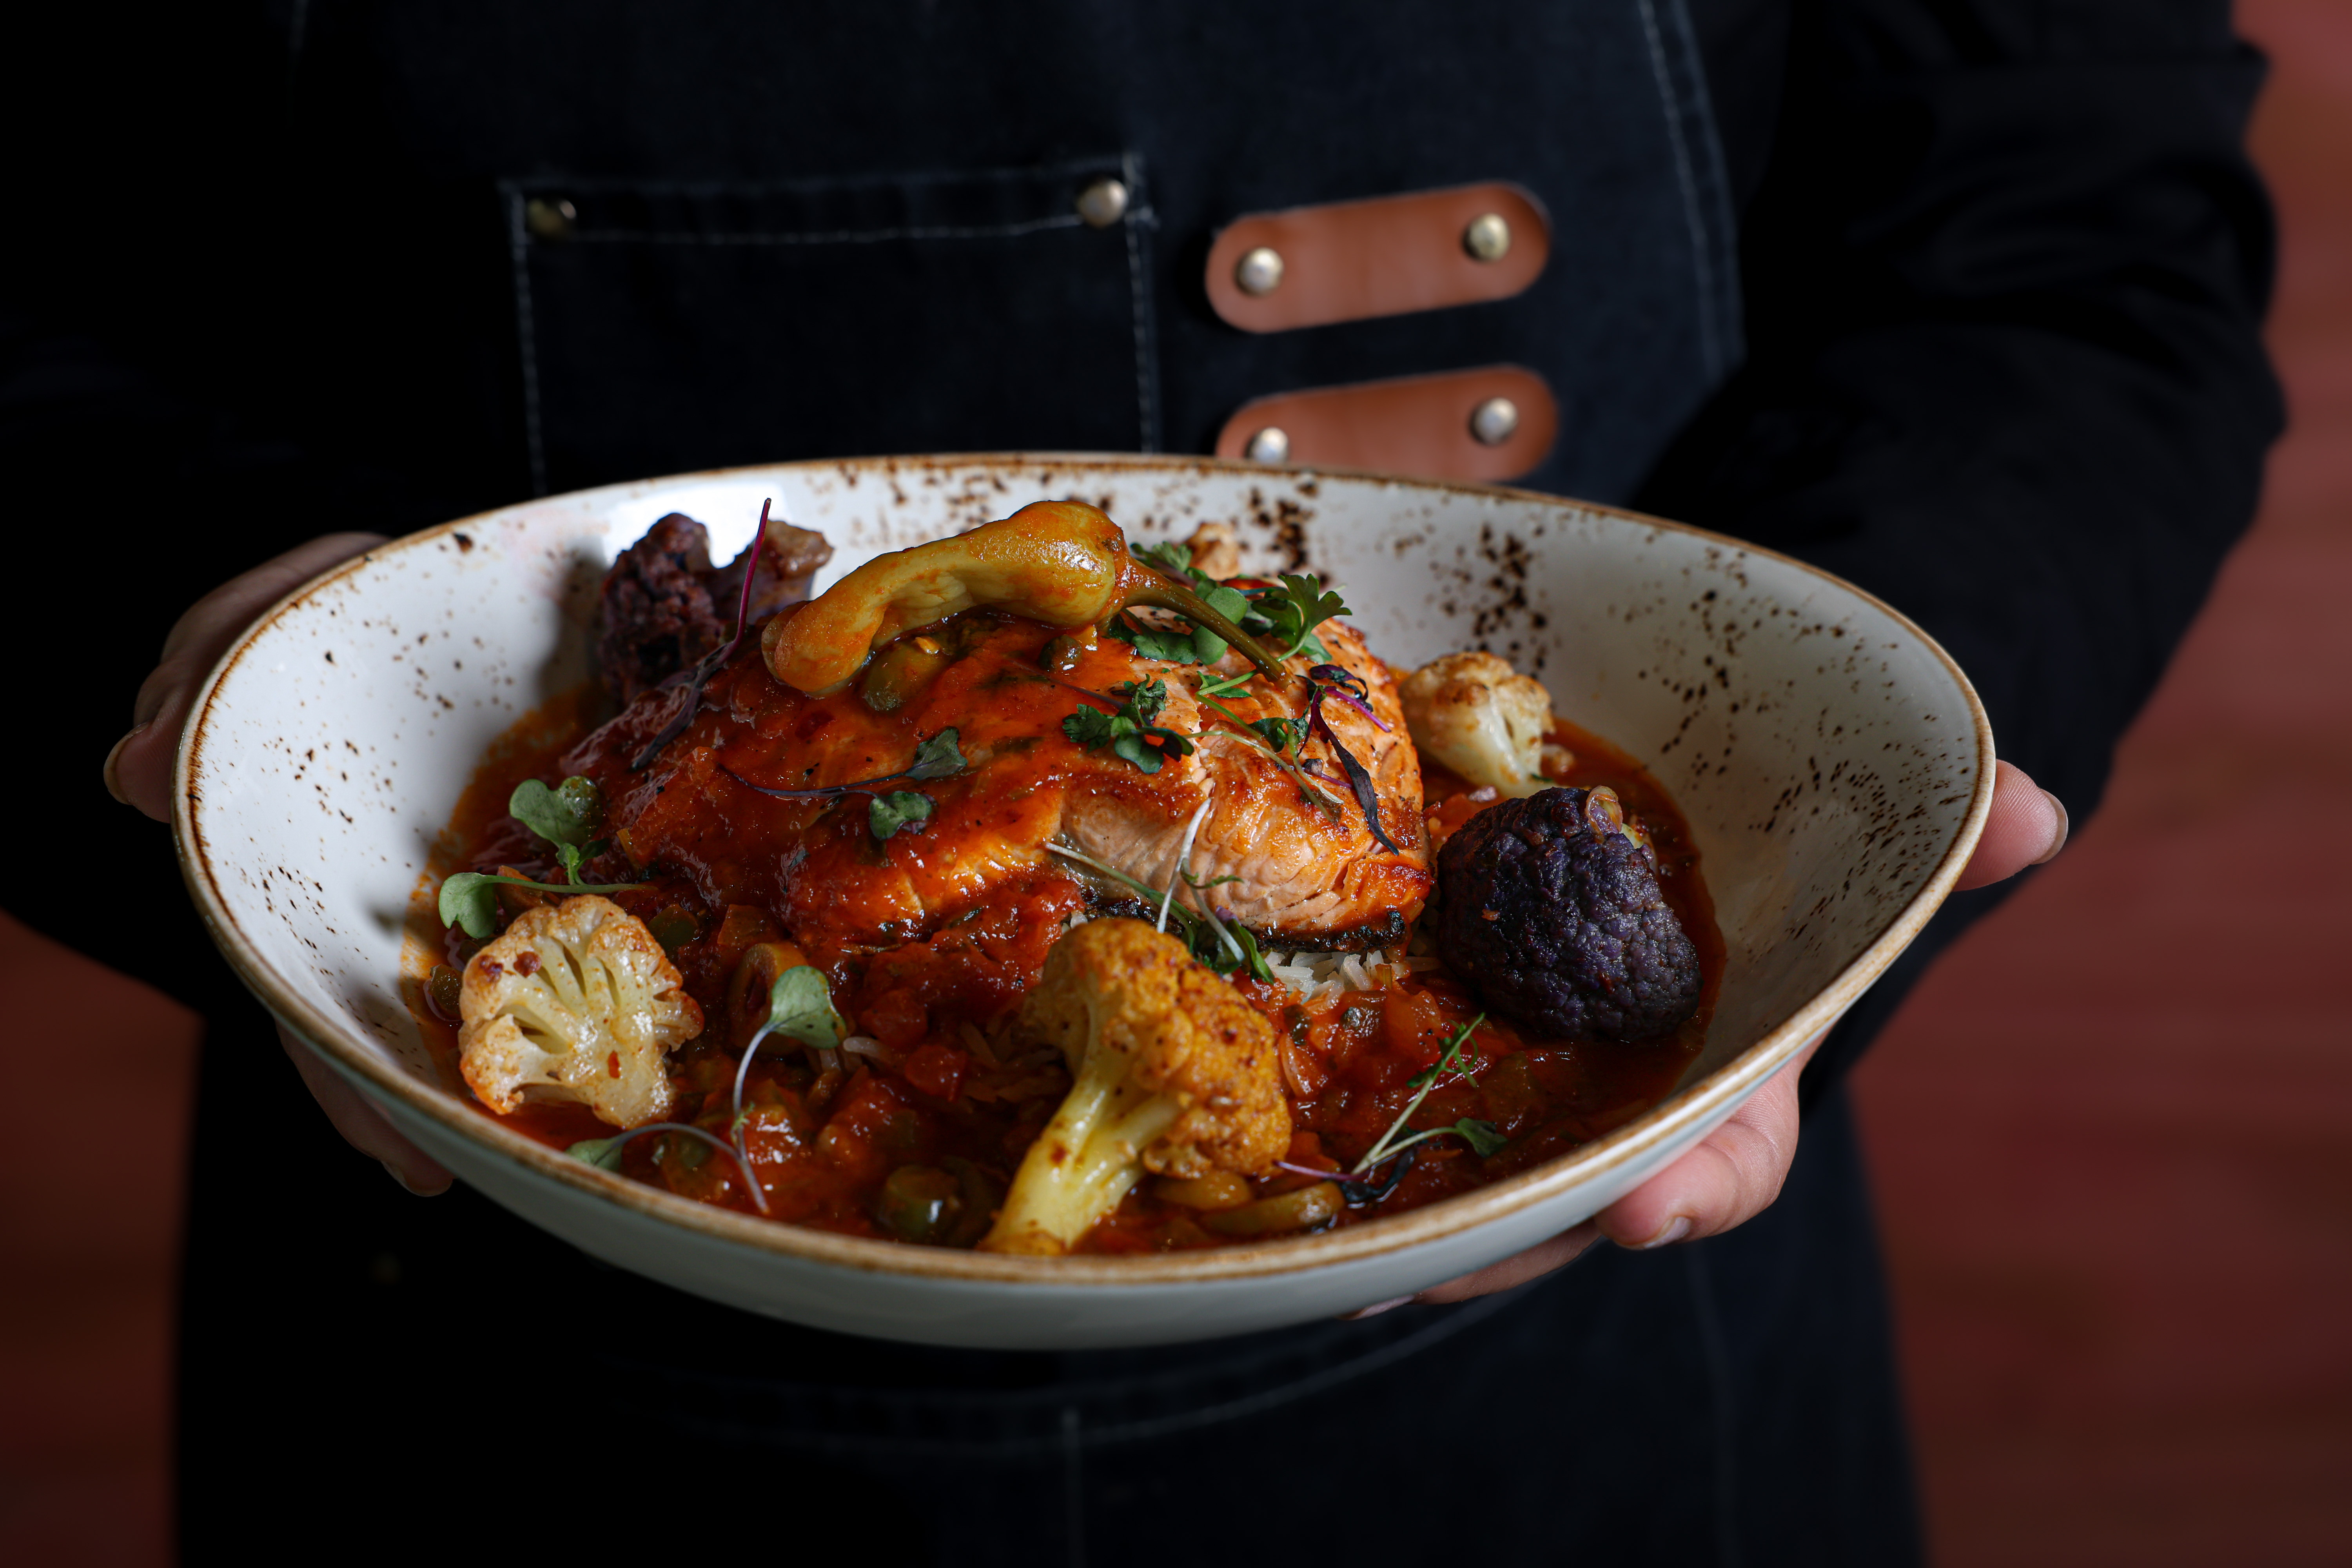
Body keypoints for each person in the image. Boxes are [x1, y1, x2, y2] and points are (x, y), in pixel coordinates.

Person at [12, 0, 2274, 1561]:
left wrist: (1843, 762)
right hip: (496, 1395)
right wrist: (224, 640)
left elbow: (2069, 245)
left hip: (1591, 1383)